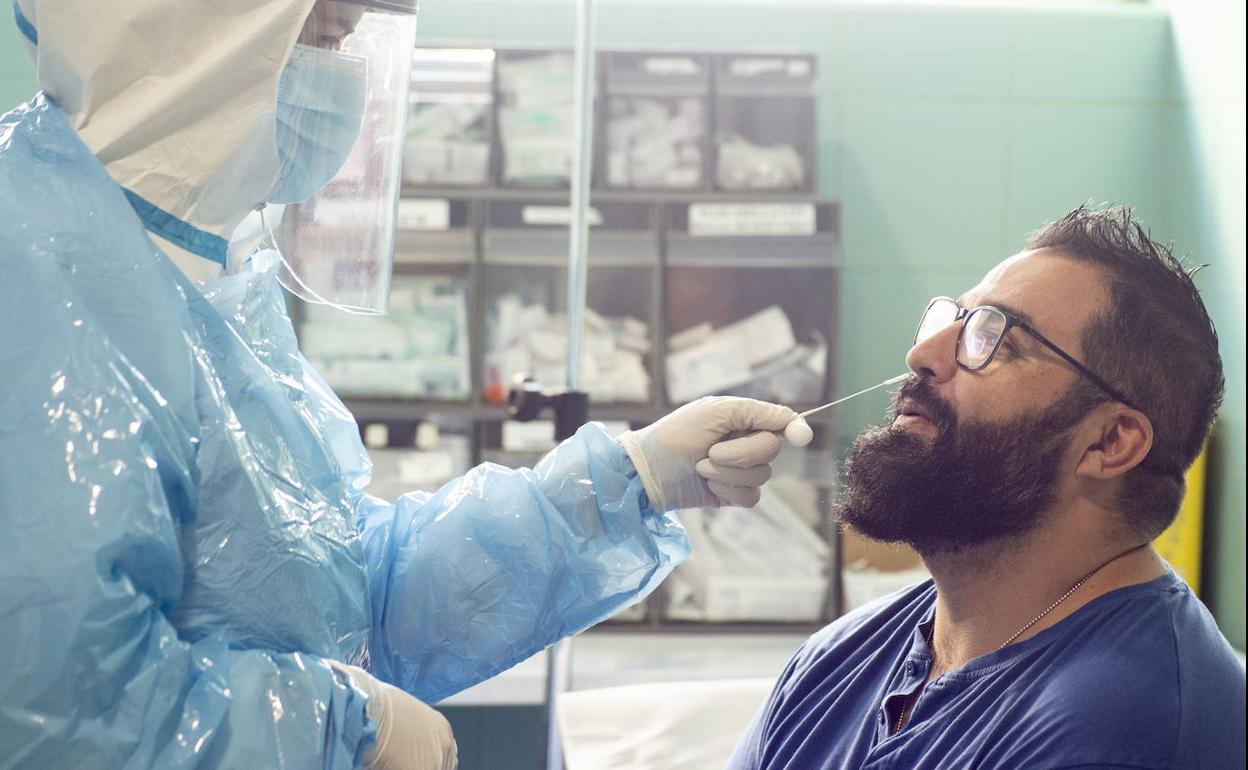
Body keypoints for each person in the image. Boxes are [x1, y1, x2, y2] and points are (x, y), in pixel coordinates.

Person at [0, 2, 799, 768]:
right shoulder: (34, 282)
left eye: (347, 39)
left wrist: (630, 479)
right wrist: (338, 722)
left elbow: (343, 592)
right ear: (186, 27)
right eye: (319, 34)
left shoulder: (205, 277)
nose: (338, 74)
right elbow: (49, 718)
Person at [727, 205, 1246, 770]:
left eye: (994, 338)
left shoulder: (1123, 727)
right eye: (952, 320)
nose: (921, 356)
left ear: (1110, 442)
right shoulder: (838, 661)